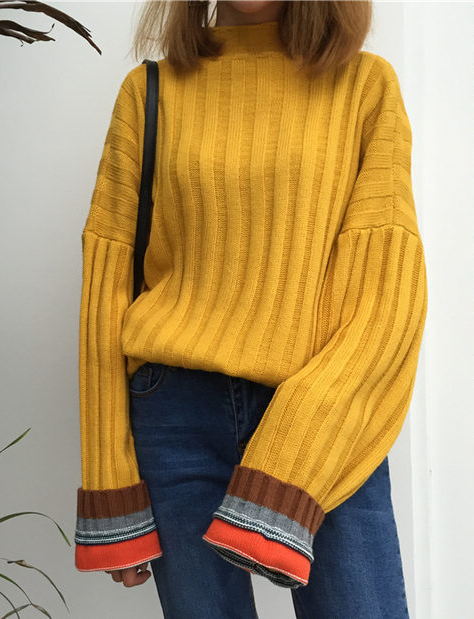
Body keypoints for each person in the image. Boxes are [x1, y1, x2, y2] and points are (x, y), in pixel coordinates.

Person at [74, 1, 427, 617]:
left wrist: (294, 446)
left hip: (327, 418)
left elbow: (387, 293)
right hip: (175, 418)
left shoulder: (364, 85)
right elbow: (107, 283)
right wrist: (110, 485)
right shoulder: (149, 92)